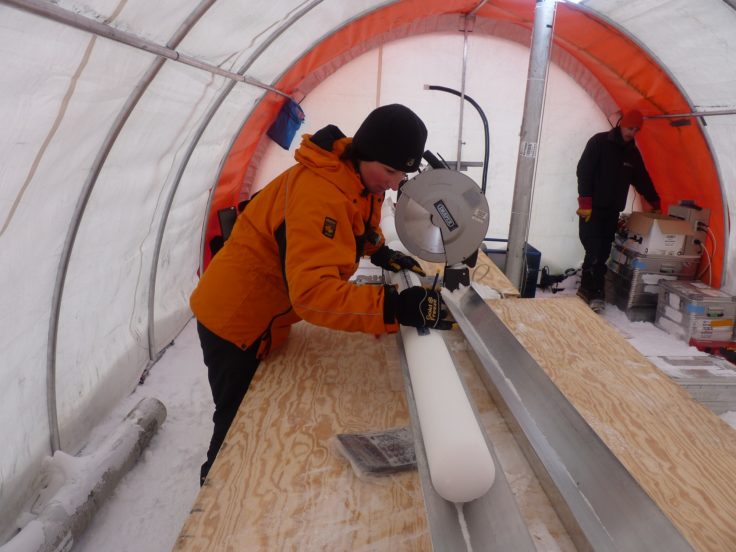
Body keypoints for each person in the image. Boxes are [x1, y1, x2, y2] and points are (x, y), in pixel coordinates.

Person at [190, 104, 453, 484]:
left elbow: (357, 221)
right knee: (236, 433)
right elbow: (312, 295)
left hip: (264, 315)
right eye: (392, 171)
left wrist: (378, 250)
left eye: (403, 174)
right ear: (366, 153)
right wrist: (394, 307)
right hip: (234, 321)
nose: (396, 183)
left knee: (254, 424)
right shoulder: (318, 192)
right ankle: (210, 503)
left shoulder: (358, 178)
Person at [575, 109, 661, 310]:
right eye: (630, 128)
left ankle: (586, 290)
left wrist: (655, 201)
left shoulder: (632, 153)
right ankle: (596, 293)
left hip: (612, 211)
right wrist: (585, 202)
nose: (633, 132)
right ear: (621, 124)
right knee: (594, 250)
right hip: (592, 210)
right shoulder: (599, 142)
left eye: (636, 129)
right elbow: (584, 171)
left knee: (602, 252)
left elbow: (642, 179)